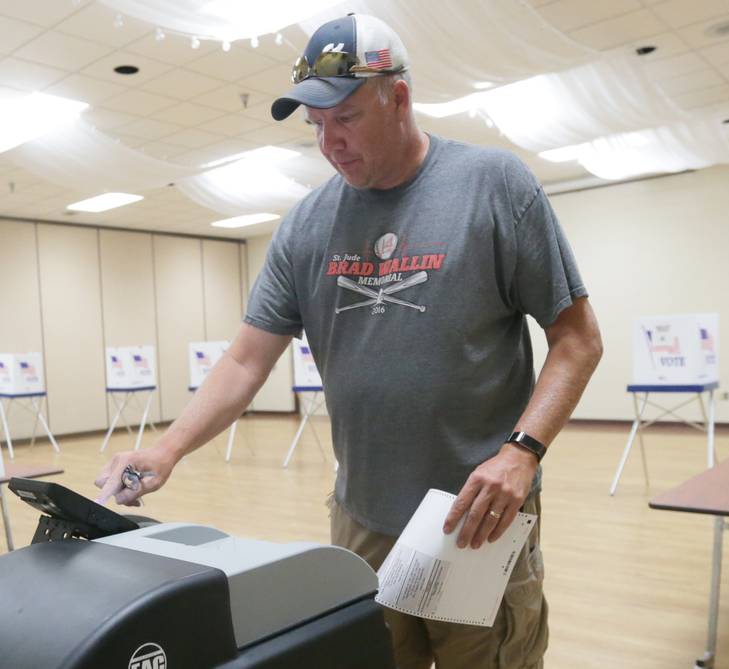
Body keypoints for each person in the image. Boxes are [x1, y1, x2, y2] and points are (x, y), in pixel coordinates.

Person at [95, 13, 603, 669]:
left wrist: (522, 451)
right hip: (363, 520)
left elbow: (577, 339)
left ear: (400, 97)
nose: (330, 142)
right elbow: (247, 361)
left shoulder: (495, 186)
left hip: (477, 519)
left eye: (347, 117)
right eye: (316, 125)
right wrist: (167, 448)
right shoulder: (307, 225)